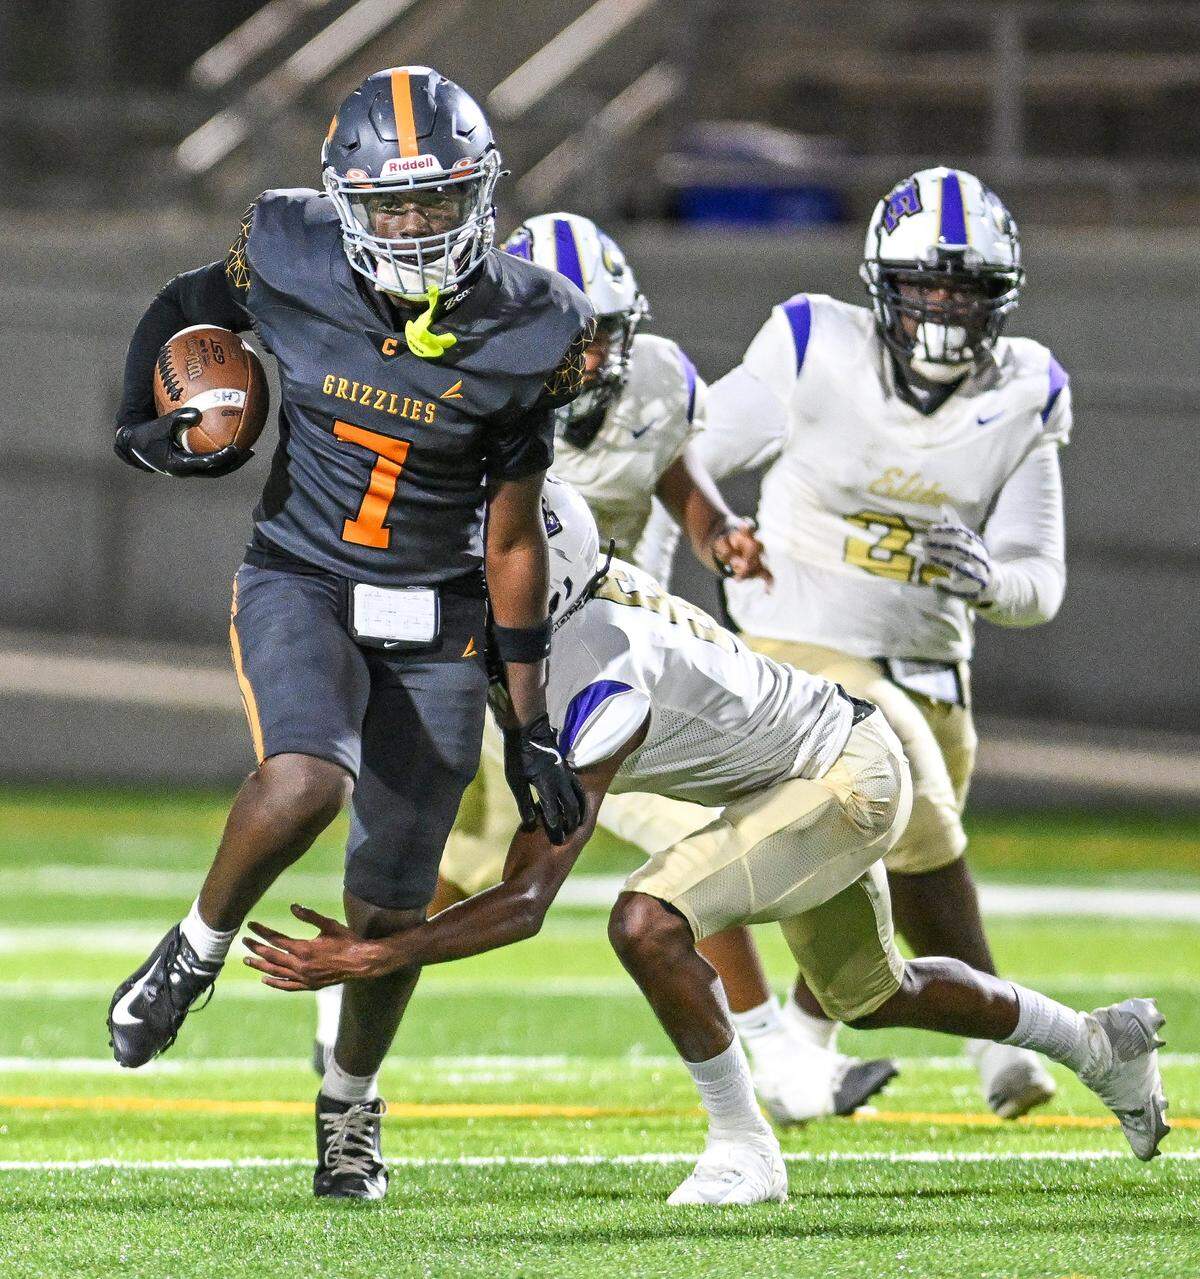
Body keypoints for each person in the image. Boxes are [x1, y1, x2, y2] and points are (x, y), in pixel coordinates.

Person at [244, 478, 1169, 1205]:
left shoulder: (595, 671)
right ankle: (1099, 1042)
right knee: (875, 994)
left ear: (540, 589)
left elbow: (528, 901)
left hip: (841, 772)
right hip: (804, 765)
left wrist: (377, 952)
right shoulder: (564, 622)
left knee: (645, 920)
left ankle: (744, 1144)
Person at [105, 66, 592, 1201]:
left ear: (482, 195)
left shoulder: (536, 328)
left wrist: (532, 730)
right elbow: (188, 306)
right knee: (306, 777)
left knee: (389, 903)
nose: (416, 227)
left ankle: (348, 1109)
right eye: (391, 205)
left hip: (440, 617)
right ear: (343, 201)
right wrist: (145, 426)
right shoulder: (285, 244)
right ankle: (194, 950)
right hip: (305, 577)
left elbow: (514, 539)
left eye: (438, 201)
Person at [312, 212, 897, 1121]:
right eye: (566, 341)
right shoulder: (466, 399)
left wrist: (721, 535)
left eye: (602, 338)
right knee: (455, 868)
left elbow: (673, 475)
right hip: (493, 660)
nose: (587, 363)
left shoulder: (655, 379)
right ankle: (346, 997)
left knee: (671, 833)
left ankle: (776, 1059)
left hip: (609, 649)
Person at [639, 167, 1070, 1120]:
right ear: (884, 285)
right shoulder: (813, 345)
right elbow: (687, 447)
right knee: (896, 779)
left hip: (932, 666)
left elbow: (1039, 581)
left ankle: (802, 1058)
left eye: (968, 288)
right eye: (928, 285)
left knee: (878, 862)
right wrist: (715, 534)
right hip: (794, 646)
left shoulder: (1024, 388)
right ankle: (1008, 1038)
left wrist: (987, 581)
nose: (948, 309)